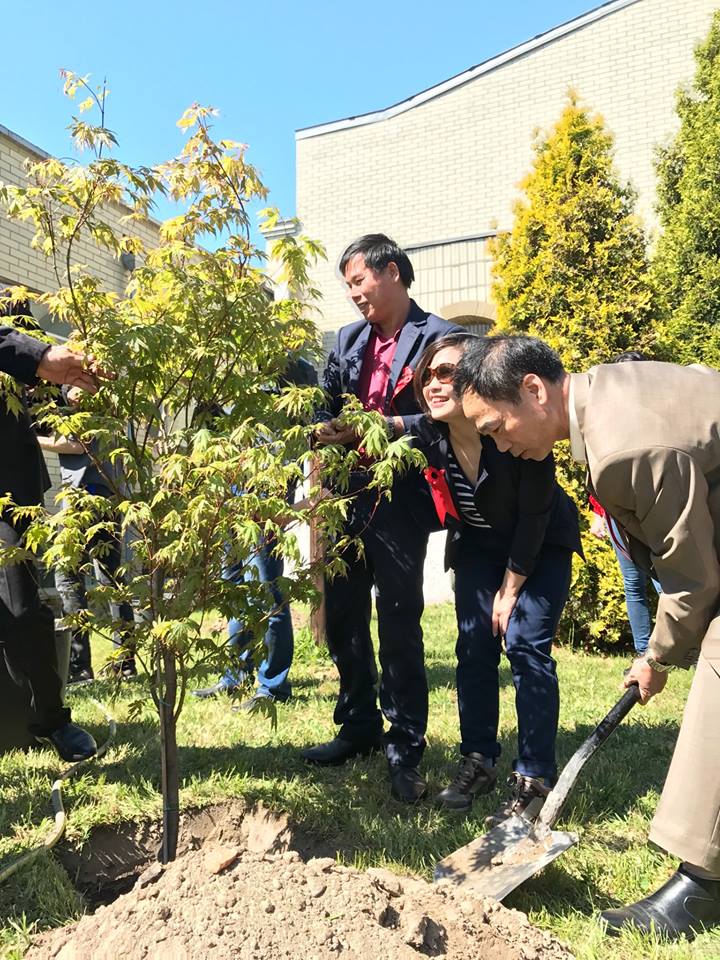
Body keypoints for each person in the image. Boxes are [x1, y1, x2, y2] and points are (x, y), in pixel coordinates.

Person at [454, 332, 720, 940]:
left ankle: (702, 885)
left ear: (533, 390)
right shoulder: (606, 396)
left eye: (496, 428)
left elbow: (693, 578)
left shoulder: (624, 446)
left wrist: (656, 656)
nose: (499, 443)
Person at [301, 234, 463, 803]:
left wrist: (390, 428)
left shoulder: (441, 337)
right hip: (346, 493)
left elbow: (452, 413)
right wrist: (322, 427)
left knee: (398, 618)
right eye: (347, 285)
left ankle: (405, 745)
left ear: (390, 271)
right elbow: (323, 404)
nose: (352, 295)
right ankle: (359, 727)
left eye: (357, 281)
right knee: (344, 612)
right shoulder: (347, 340)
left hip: (402, 497)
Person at [410, 333, 581, 820]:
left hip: (540, 544)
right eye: (428, 376)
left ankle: (534, 779)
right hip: (479, 551)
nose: (435, 385)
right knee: (473, 648)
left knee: (526, 644)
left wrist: (510, 590)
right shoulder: (430, 433)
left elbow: (535, 516)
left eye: (448, 374)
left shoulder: (516, 430)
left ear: (476, 382)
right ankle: (479, 759)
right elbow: (382, 426)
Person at [0, 318, 103, 761]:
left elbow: (44, 397)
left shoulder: (15, 323)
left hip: (4, 487)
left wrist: (49, 367)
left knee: (22, 608)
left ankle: (52, 719)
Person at [193, 356, 318, 708]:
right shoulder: (249, 404)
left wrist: (285, 510)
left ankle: (273, 684)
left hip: (264, 509)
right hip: (233, 502)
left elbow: (289, 471)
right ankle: (235, 675)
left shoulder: (292, 415)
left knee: (266, 594)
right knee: (234, 589)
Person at [38, 386, 136, 683]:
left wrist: (33, 439)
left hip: (89, 501)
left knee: (70, 576)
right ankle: (123, 664)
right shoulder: (108, 406)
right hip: (101, 498)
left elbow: (78, 444)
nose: (71, 392)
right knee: (111, 580)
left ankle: (82, 667)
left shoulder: (94, 407)